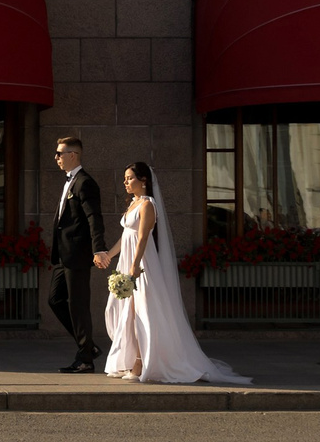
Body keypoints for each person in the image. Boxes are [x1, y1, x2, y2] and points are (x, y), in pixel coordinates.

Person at [100, 161, 249, 386]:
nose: (125, 182)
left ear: (143, 180)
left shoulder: (147, 205)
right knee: (124, 312)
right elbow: (126, 237)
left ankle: (140, 364)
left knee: (141, 312)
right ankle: (128, 360)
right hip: (127, 261)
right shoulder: (133, 203)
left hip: (142, 264)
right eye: (125, 178)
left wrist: (135, 266)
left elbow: (142, 238)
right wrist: (109, 255)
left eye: (130, 178)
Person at [45, 136, 106, 373]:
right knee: (55, 299)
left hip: (77, 254)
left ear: (73, 155)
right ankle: (88, 346)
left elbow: (94, 217)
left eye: (59, 153)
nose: (56, 157)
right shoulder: (70, 181)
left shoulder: (85, 183)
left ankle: (85, 359)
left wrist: (98, 249)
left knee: (78, 306)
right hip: (64, 254)